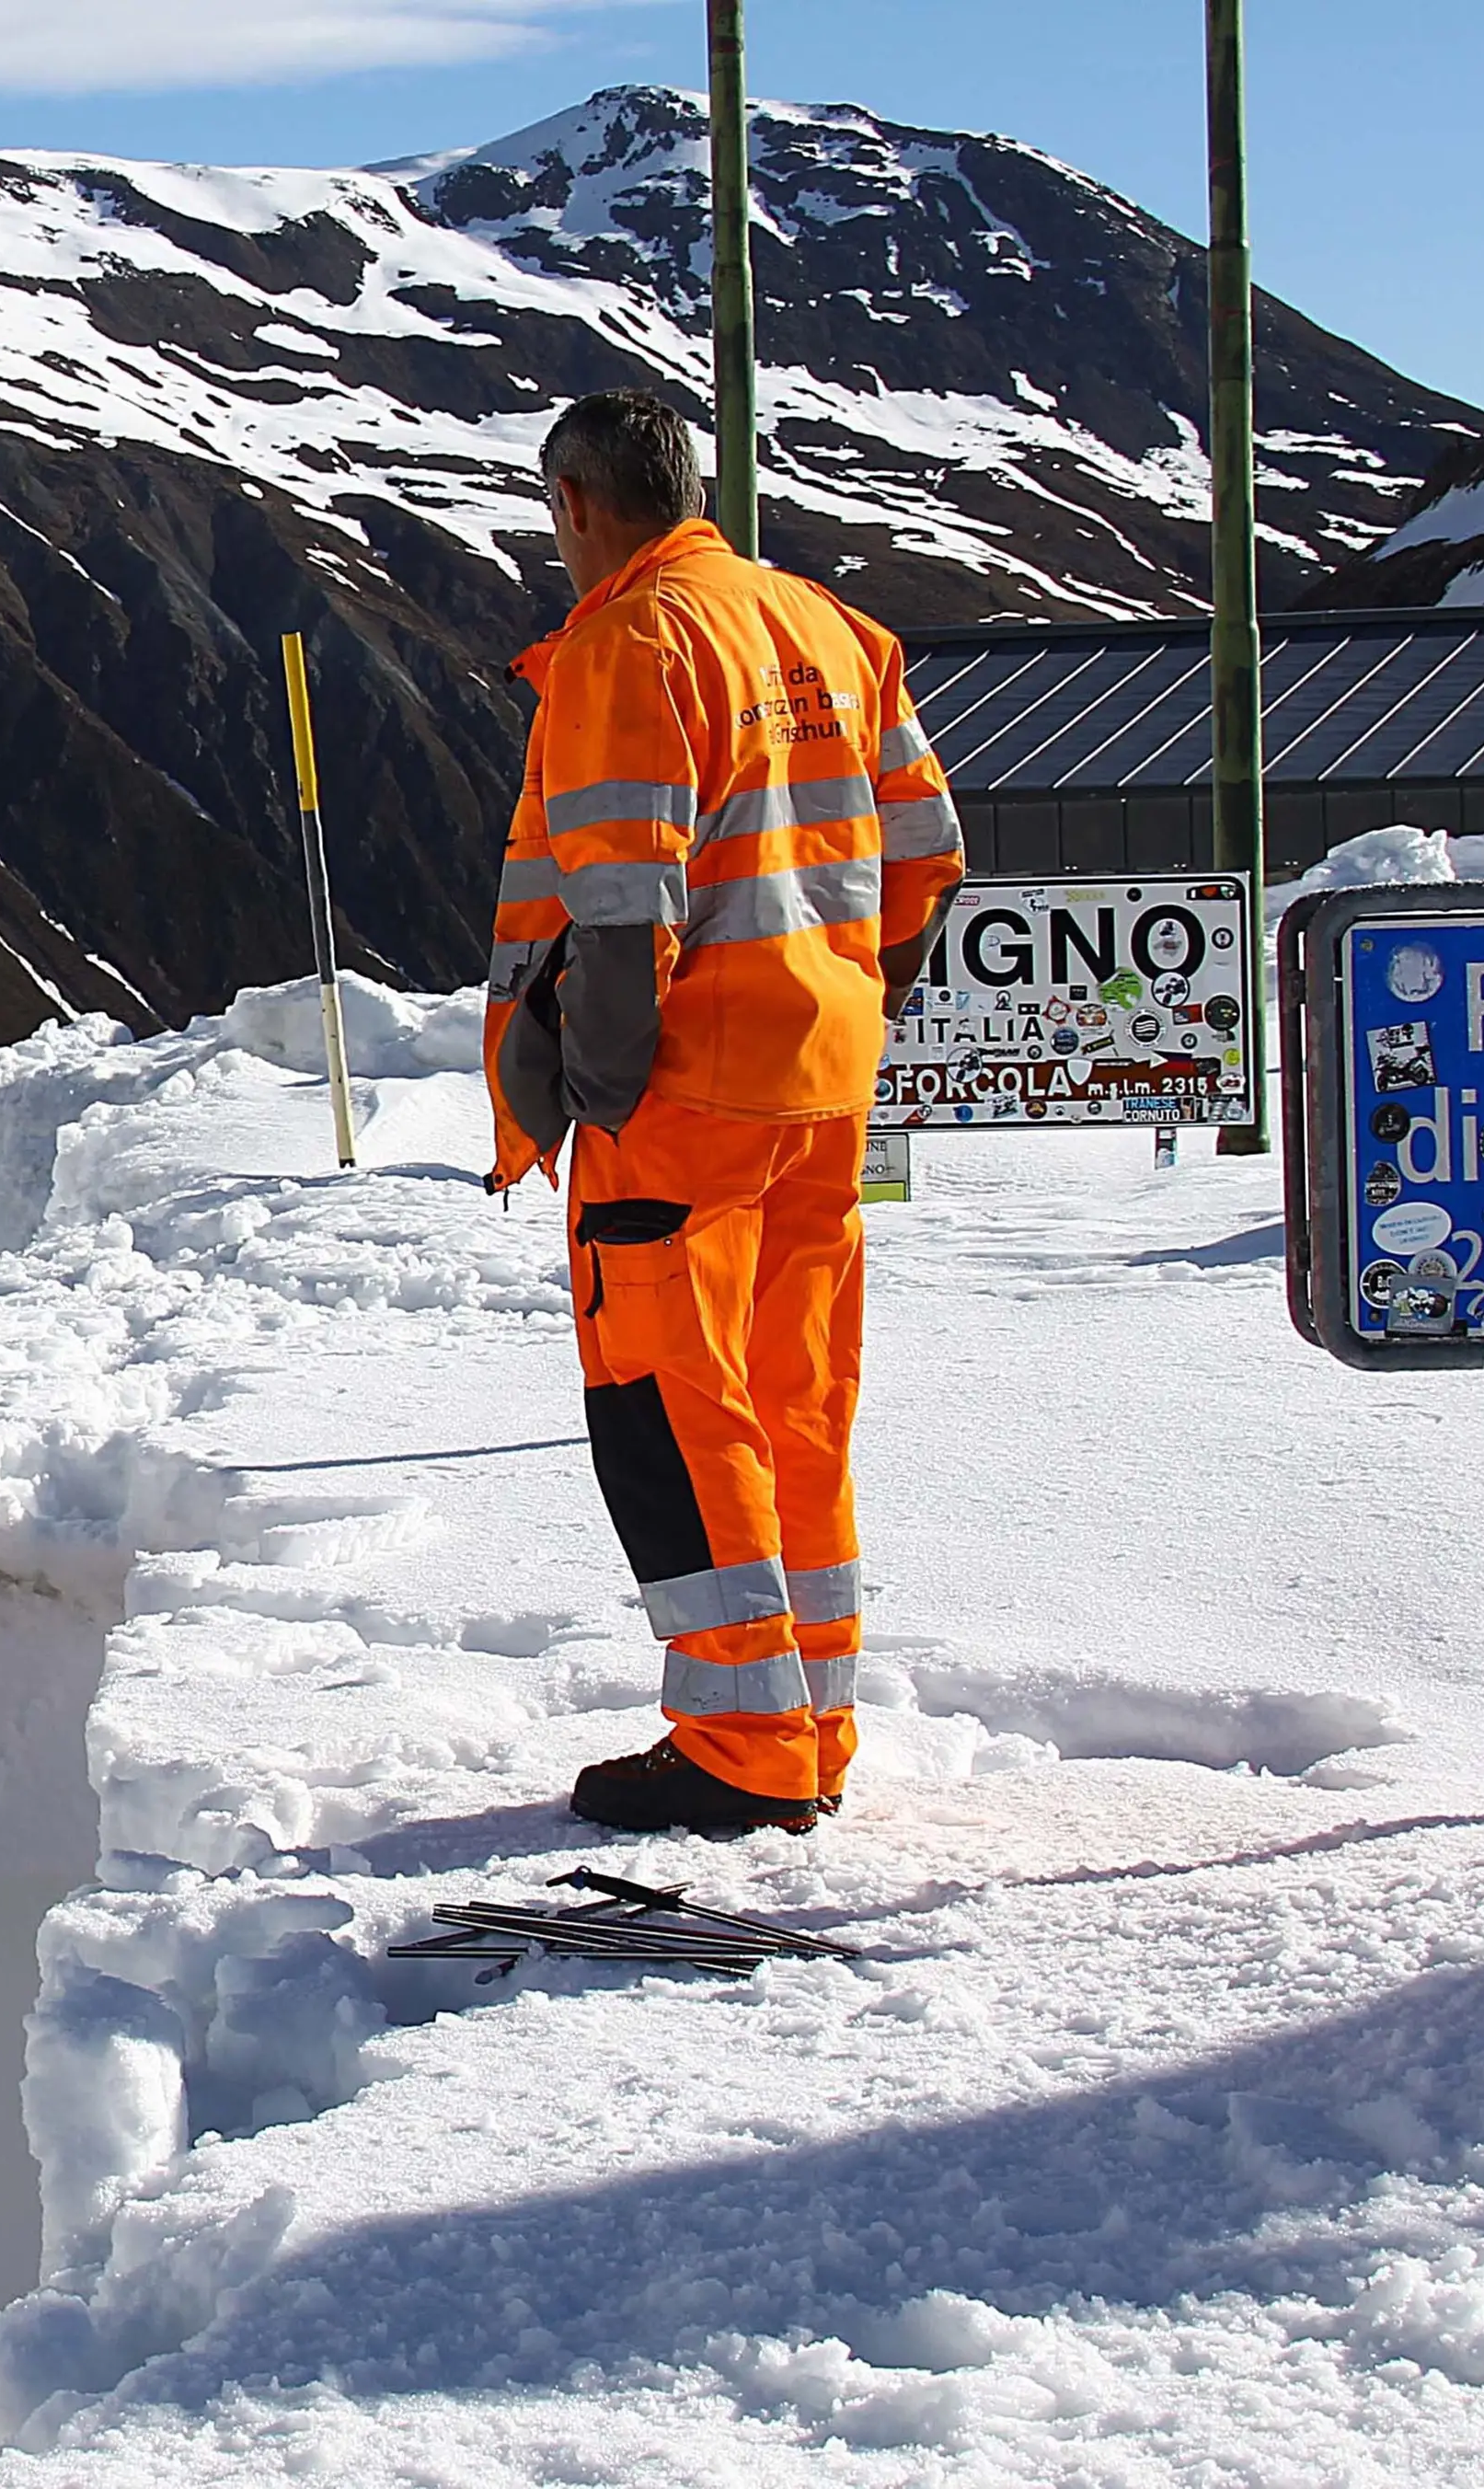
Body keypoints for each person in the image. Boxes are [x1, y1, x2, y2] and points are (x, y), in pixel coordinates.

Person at [485, 389, 965, 1838]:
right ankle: (807, 1724)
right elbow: (928, 853)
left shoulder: (629, 639)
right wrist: (840, 999)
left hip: (683, 1097)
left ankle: (741, 1749)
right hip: (823, 1084)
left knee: (671, 1411)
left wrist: (596, 1085)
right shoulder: (829, 626)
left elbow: (622, 903)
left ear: (576, 504)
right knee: (794, 1403)